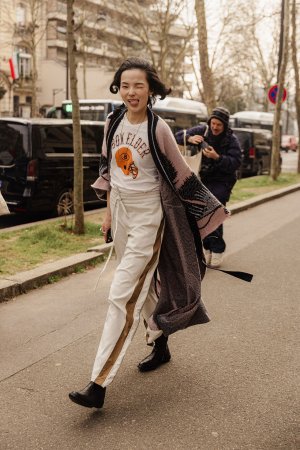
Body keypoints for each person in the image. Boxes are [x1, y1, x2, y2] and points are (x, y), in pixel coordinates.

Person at [68, 57, 229, 410]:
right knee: (140, 286)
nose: (131, 92)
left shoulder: (158, 129)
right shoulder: (113, 122)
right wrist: (109, 215)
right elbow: (108, 170)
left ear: (151, 89)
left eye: (138, 85)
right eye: (125, 85)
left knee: (121, 294)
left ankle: (98, 383)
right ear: (118, 88)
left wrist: (208, 216)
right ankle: (161, 342)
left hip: (149, 218)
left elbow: (184, 175)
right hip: (123, 214)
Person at [175, 107, 242, 268]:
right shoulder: (203, 130)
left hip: (223, 181)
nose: (215, 127)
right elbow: (177, 136)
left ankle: (217, 250)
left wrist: (217, 157)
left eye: (219, 124)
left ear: (225, 125)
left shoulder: (232, 140)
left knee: (215, 212)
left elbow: (236, 163)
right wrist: (190, 138)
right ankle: (207, 248)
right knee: (203, 214)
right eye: (213, 123)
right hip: (203, 179)